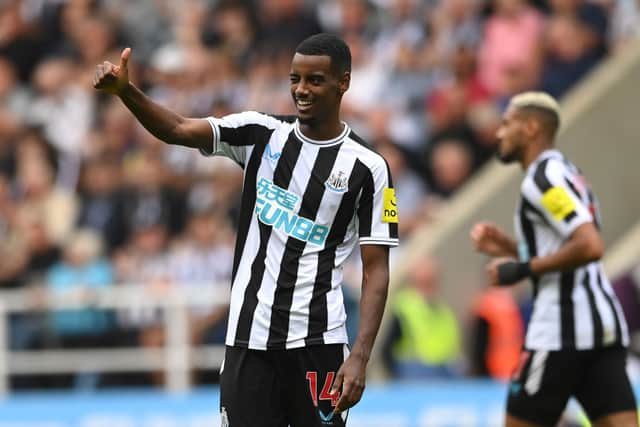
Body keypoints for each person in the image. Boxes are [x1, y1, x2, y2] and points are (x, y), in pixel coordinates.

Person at [93, 33, 398, 427]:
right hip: (247, 341)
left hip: (319, 343)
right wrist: (126, 92)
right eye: (295, 79)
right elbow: (179, 129)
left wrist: (359, 356)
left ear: (343, 82)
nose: (301, 90)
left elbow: (377, 269)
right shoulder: (260, 133)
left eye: (315, 80)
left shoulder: (369, 167)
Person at [470, 91, 637, 426]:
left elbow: (589, 245)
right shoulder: (567, 172)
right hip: (601, 327)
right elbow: (570, 249)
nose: (499, 133)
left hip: (560, 331)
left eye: (507, 123)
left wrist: (520, 269)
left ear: (531, 128)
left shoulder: (542, 180)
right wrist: (510, 246)